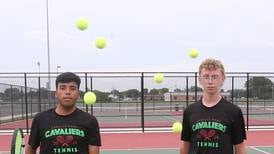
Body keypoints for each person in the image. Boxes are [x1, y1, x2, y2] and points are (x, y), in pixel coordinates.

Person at [180, 58, 246, 154]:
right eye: (206, 77)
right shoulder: (190, 111)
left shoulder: (234, 111)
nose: (210, 81)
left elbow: (240, 146)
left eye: (215, 77)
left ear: (222, 79)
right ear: (200, 79)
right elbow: (185, 144)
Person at [26, 72, 101, 154]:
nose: (68, 92)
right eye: (62, 88)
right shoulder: (40, 119)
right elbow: (30, 149)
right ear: (56, 93)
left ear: (78, 94)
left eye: (72, 88)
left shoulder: (90, 120)